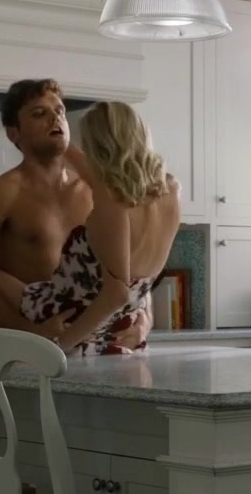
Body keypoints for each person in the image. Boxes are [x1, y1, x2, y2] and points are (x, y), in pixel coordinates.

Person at [0, 78, 151, 347]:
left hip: (90, 325)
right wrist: (29, 331)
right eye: (39, 113)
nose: (55, 118)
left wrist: (145, 320)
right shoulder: (1, 193)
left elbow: (132, 263)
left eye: (60, 111)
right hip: (33, 319)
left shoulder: (96, 191)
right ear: (14, 133)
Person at [20, 100, 181, 355]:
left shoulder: (112, 200)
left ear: (98, 147)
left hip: (76, 327)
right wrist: (59, 134)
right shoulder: (170, 189)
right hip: (121, 334)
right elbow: (138, 281)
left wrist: (56, 349)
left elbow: (117, 294)